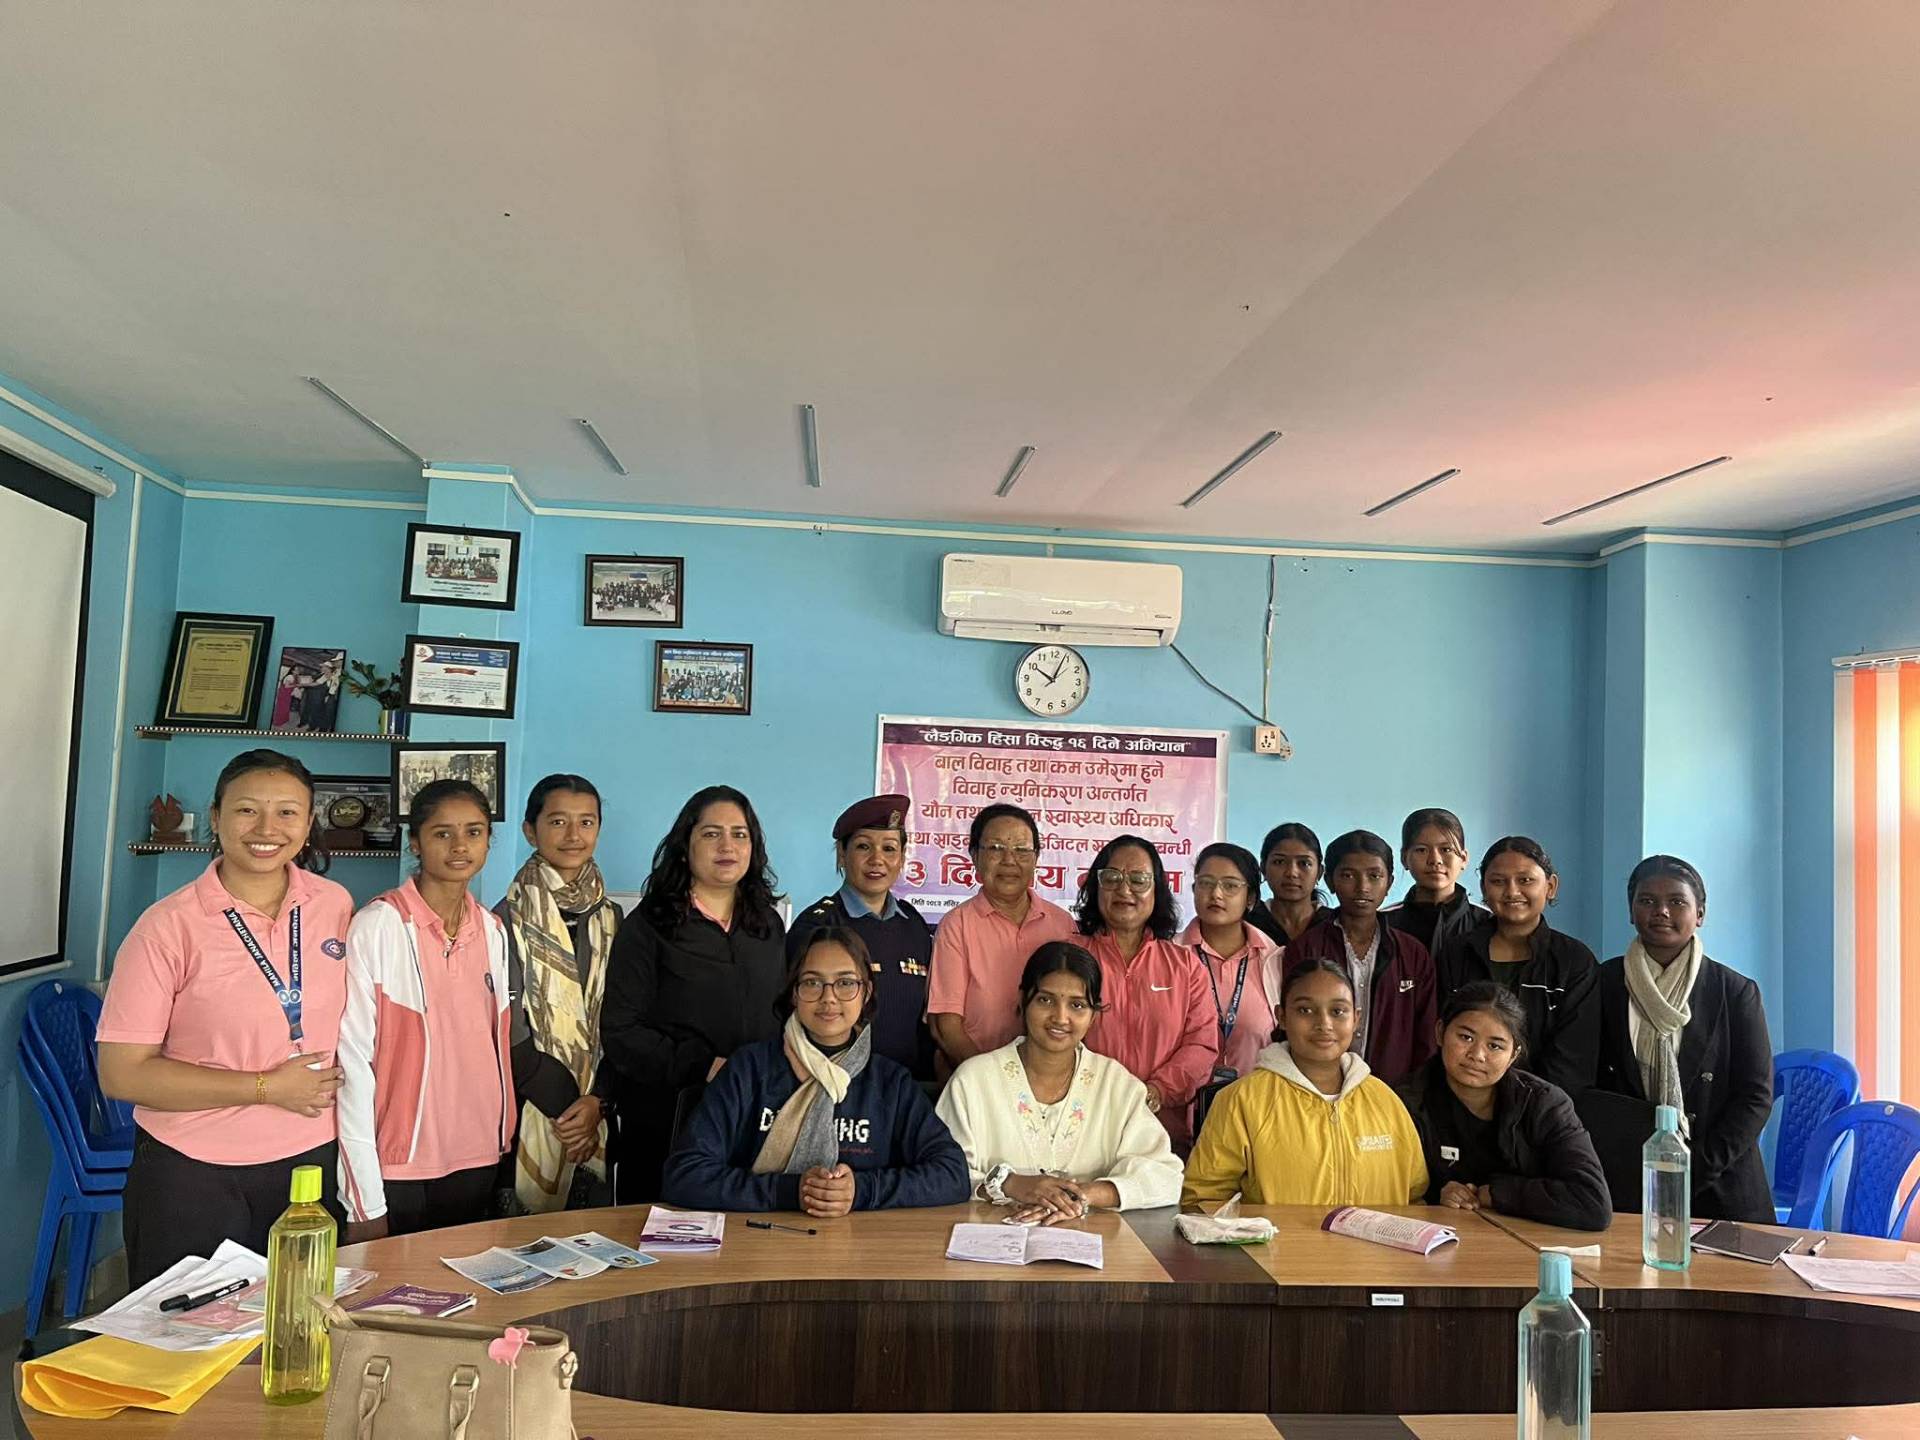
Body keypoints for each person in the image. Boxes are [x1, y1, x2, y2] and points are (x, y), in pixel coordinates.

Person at [98, 751, 353, 1287]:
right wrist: (265, 1087)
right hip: (193, 1172)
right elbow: (122, 1073)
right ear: (216, 817)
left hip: (311, 1165)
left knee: (297, 1321)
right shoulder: (167, 927)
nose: (267, 829)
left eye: (287, 812)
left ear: (309, 822)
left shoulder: (334, 905)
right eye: (246, 810)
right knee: (186, 1331)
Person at [661, 927, 970, 1213]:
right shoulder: (748, 1070)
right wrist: (791, 1191)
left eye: (846, 983)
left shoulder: (890, 1083)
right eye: (812, 982)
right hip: (757, 1241)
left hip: (859, 1245)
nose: (828, 998)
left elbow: (952, 1174)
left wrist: (861, 1191)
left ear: (866, 993)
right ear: (793, 993)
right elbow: (685, 1175)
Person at [337, 779, 515, 1239]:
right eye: (442, 833)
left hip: (477, 1152)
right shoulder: (378, 926)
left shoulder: (492, 930)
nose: (460, 846)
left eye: (474, 832)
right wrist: (363, 1200)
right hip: (400, 1161)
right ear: (415, 842)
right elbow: (352, 1065)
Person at [600, 785, 787, 1202]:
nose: (727, 846)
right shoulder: (649, 925)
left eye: (740, 834)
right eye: (711, 833)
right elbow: (620, 1031)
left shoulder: (768, 925)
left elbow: (782, 1014)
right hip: (667, 1119)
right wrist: (702, 1065)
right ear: (685, 846)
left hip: (753, 1116)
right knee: (661, 1234)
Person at [936, 941, 1182, 1220]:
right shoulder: (973, 1081)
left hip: (1093, 1240)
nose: (1060, 1018)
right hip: (988, 1241)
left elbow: (1166, 1177)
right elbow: (940, 1172)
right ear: (1023, 1000)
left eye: (1077, 1005)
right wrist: (1010, 1184)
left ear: (1094, 1015)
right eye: (1045, 1000)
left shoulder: (1117, 1086)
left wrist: (1081, 1196)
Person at [1593, 856, 1773, 1222]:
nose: (1661, 911)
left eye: (1677, 901)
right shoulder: (1602, 984)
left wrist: (1695, 1168)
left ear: (1700, 913)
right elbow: (1589, 1084)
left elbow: (1755, 1096)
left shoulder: (1734, 992)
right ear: (1631, 911)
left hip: (1719, 1183)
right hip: (1626, 1184)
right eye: (1647, 900)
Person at [1183, 959, 1426, 1207]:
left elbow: (1415, 1197)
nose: (1324, 1024)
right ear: (1282, 1017)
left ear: (1356, 1019)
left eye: (1338, 1011)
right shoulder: (1241, 1101)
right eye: (1305, 1010)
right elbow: (1202, 1200)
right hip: (1279, 1236)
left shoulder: (1385, 1101)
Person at [495, 774, 623, 1215]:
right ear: (530, 831)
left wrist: (597, 1102)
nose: (573, 836)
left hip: (597, 1104)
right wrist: (571, 1112)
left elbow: (621, 1018)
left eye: (586, 822)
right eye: (557, 822)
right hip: (529, 1104)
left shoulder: (613, 918)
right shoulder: (503, 918)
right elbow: (507, 1029)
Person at [1396, 982, 1611, 1231]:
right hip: (1438, 1239)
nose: (1477, 1055)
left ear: (1514, 1055)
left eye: (1495, 1046)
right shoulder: (1405, 1102)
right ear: (1440, 1032)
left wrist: (1494, 1193)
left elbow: (1592, 1202)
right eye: (1465, 1037)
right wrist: (1436, 1195)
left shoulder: (1545, 1104)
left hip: (1530, 1240)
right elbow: (1393, 1193)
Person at [1075, 834, 1217, 1151]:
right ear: (1096, 887)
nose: (1124, 890)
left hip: (1162, 1132)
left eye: (1138, 880)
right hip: (1082, 1127)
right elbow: (1051, 1035)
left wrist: (1155, 1091)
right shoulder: (1070, 957)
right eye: (1112, 878)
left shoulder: (1185, 966)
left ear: (1157, 890)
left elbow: (1201, 1044)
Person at [786, 794, 936, 1081]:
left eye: (889, 849)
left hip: (905, 1087)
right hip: (836, 1084)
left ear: (902, 858)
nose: (877, 860)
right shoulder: (817, 925)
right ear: (842, 855)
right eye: (863, 846)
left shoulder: (914, 925)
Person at [1434, 837, 1599, 1095]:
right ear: (1484, 888)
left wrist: (1527, 1106)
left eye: (1525, 880)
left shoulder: (1575, 961)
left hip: (1544, 1107)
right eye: (1498, 881)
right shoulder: (1456, 953)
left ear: (1550, 886)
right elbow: (1443, 1035)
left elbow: (1573, 1060)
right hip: (1461, 1099)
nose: (1512, 892)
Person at [926, 803, 1077, 1066]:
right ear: (975, 856)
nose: (1009, 860)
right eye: (995, 848)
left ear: (1035, 858)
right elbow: (946, 1025)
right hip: (976, 1075)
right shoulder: (957, 925)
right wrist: (990, 1080)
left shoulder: (1062, 925)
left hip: (1049, 1076)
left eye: (1021, 850)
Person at [1283, 830, 1436, 1084]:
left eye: (1374, 876)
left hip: (1393, 1091)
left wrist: (1412, 1094)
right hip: (1316, 1086)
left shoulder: (1412, 953)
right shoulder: (1306, 948)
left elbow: (1425, 1036)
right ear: (1330, 881)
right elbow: (1290, 1024)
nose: (1362, 887)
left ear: (1389, 882)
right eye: (1348, 875)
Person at [1177, 842, 1283, 1082]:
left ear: (1250, 898)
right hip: (1180, 1100)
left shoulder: (1274, 960)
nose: (1216, 894)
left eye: (1230, 885)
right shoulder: (1170, 955)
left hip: (1255, 1099)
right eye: (1206, 883)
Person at [1383, 808, 1490, 961]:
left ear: (1463, 859)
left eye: (1446, 849)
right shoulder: (1383, 923)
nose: (1435, 860)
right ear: (1404, 858)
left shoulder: (1488, 923)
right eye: (1422, 850)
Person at [1246, 822, 1332, 948]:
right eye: (1279, 862)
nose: (1291, 873)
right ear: (1263, 869)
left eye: (1304, 863)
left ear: (1319, 872)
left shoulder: (1335, 924)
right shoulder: (1247, 924)